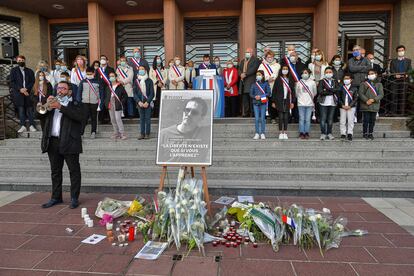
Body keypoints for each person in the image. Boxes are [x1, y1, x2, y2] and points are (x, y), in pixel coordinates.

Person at [38, 81, 85, 209]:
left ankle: (74, 198)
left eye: (63, 89)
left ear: (69, 91)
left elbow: (79, 117)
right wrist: (45, 105)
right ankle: (56, 197)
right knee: (55, 171)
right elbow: (39, 115)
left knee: (74, 171)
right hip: (52, 141)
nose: (60, 91)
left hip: (70, 141)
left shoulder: (76, 104)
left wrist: (61, 107)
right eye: (58, 88)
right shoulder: (51, 104)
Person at [10, 55, 36, 133]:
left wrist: (26, 89)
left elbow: (32, 81)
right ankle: (23, 126)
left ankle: (32, 126)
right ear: (17, 61)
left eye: (22, 60)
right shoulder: (13, 70)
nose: (20, 62)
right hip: (18, 93)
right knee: (21, 110)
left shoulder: (30, 71)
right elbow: (12, 82)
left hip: (28, 93)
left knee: (30, 110)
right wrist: (20, 89)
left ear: (24, 61)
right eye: (19, 60)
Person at [77, 67, 104, 138]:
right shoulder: (83, 81)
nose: (89, 75)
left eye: (90, 74)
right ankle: (81, 133)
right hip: (85, 102)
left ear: (94, 73)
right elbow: (79, 92)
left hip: (94, 103)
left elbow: (101, 94)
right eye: (87, 74)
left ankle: (93, 132)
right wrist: (79, 102)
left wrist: (100, 104)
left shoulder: (98, 81)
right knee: (84, 118)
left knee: (94, 118)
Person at [359, 69, 384, 140]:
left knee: (372, 120)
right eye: (369, 74)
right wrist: (366, 100)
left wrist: (374, 99)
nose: (371, 75)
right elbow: (361, 93)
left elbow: (381, 94)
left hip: (375, 105)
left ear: (376, 74)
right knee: (366, 120)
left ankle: (370, 133)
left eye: (372, 73)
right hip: (366, 104)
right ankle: (365, 133)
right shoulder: (364, 83)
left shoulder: (379, 84)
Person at [272, 65, 295, 140]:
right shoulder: (278, 79)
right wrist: (273, 101)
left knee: (286, 117)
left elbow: (293, 92)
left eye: (286, 69)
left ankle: (285, 132)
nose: (285, 70)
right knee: (281, 117)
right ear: (281, 70)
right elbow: (274, 91)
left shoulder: (290, 79)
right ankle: (280, 133)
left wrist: (293, 102)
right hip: (279, 100)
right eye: (283, 69)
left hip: (288, 100)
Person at [258, 50, 280, 123]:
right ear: (266, 57)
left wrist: (273, 77)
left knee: (273, 101)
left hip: (275, 86)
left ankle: (273, 117)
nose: (270, 58)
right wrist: (267, 78)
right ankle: (264, 117)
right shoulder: (262, 65)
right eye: (268, 57)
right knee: (265, 101)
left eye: (271, 57)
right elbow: (260, 74)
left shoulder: (277, 65)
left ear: (273, 57)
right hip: (265, 86)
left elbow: (278, 74)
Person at [317, 67, 339, 140]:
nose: (328, 73)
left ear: (332, 73)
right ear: (324, 73)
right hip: (323, 102)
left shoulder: (335, 81)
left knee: (330, 119)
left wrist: (327, 89)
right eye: (327, 72)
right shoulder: (321, 81)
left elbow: (338, 89)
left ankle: (329, 133)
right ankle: (323, 133)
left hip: (333, 102)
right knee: (323, 119)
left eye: (330, 72)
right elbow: (320, 92)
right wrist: (332, 91)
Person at [389, 45, 412, 115]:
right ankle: (393, 113)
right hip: (395, 81)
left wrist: (407, 74)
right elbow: (391, 70)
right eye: (399, 51)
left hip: (404, 81)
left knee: (403, 96)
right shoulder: (393, 61)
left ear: (404, 51)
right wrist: (395, 75)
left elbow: (409, 69)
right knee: (394, 95)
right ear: (397, 52)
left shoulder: (408, 61)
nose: (401, 52)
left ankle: (401, 113)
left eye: (402, 50)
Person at [104, 72, 127, 140]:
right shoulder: (108, 87)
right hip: (110, 103)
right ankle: (116, 133)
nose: (111, 78)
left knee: (118, 119)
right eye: (110, 76)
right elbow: (106, 96)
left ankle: (122, 133)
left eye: (113, 76)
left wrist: (121, 102)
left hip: (117, 103)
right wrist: (106, 103)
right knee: (113, 119)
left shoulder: (120, 86)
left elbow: (125, 96)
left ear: (116, 77)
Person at [134, 66, 155, 139]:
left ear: (145, 70)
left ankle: (147, 133)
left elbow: (152, 93)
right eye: (140, 69)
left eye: (142, 69)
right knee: (141, 119)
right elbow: (135, 93)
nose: (141, 70)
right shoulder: (136, 81)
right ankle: (142, 133)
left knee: (147, 119)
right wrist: (139, 101)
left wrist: (147, 102)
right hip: (140, 103)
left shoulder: (149, 81)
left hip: (147, 103)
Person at [239, 47, 261, 117]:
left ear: (252, 53)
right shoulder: (242, 61)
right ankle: (246, 113)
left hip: (251, 81)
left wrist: (245, 74)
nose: (247, 54)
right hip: (243, 82)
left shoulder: (256, 60)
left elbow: (253, 69)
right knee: (245, 99)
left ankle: (253, 113)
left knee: (252, 98)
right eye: (246, 52)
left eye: (248, 52)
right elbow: (239, 69)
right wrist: (241, 74)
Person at [296, 69, 317, 139]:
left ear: (309, 74)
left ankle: (307, 132)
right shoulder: (298, 82)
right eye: (303, 73)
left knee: (308, 119)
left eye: (306, 73)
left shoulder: (312, 82)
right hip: (301, 103)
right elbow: (296, 93)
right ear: (301, 74)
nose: (305, 74)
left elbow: (315, 92)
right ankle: (302, 132)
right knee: (301, 119)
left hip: (310, 103)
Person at [250, 70, 271, 140]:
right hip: (255, 103)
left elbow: (269, 93)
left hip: (263, 103)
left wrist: (261, 96)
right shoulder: (254, 84)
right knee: (256, 119)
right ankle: (256, 133)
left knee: (262, 119)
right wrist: (255, 96)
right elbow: (251, 94)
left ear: (262, 76)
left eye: (259, 75)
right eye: (257, 75)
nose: (258, 76)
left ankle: (262, 133)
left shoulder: (266, 83)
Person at [338, 73, 359, 141]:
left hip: (351, 107)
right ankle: (343, 134)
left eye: (347, 78)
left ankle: (350, 133)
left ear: (351, 80)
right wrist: (342, 105)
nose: (346, 80)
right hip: (343, 107)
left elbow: (356, 98)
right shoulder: (341, 87)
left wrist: (350, 105)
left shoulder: (354, 88)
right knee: (342, 121)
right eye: (345, 79)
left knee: (350, 121)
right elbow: (339, 98)